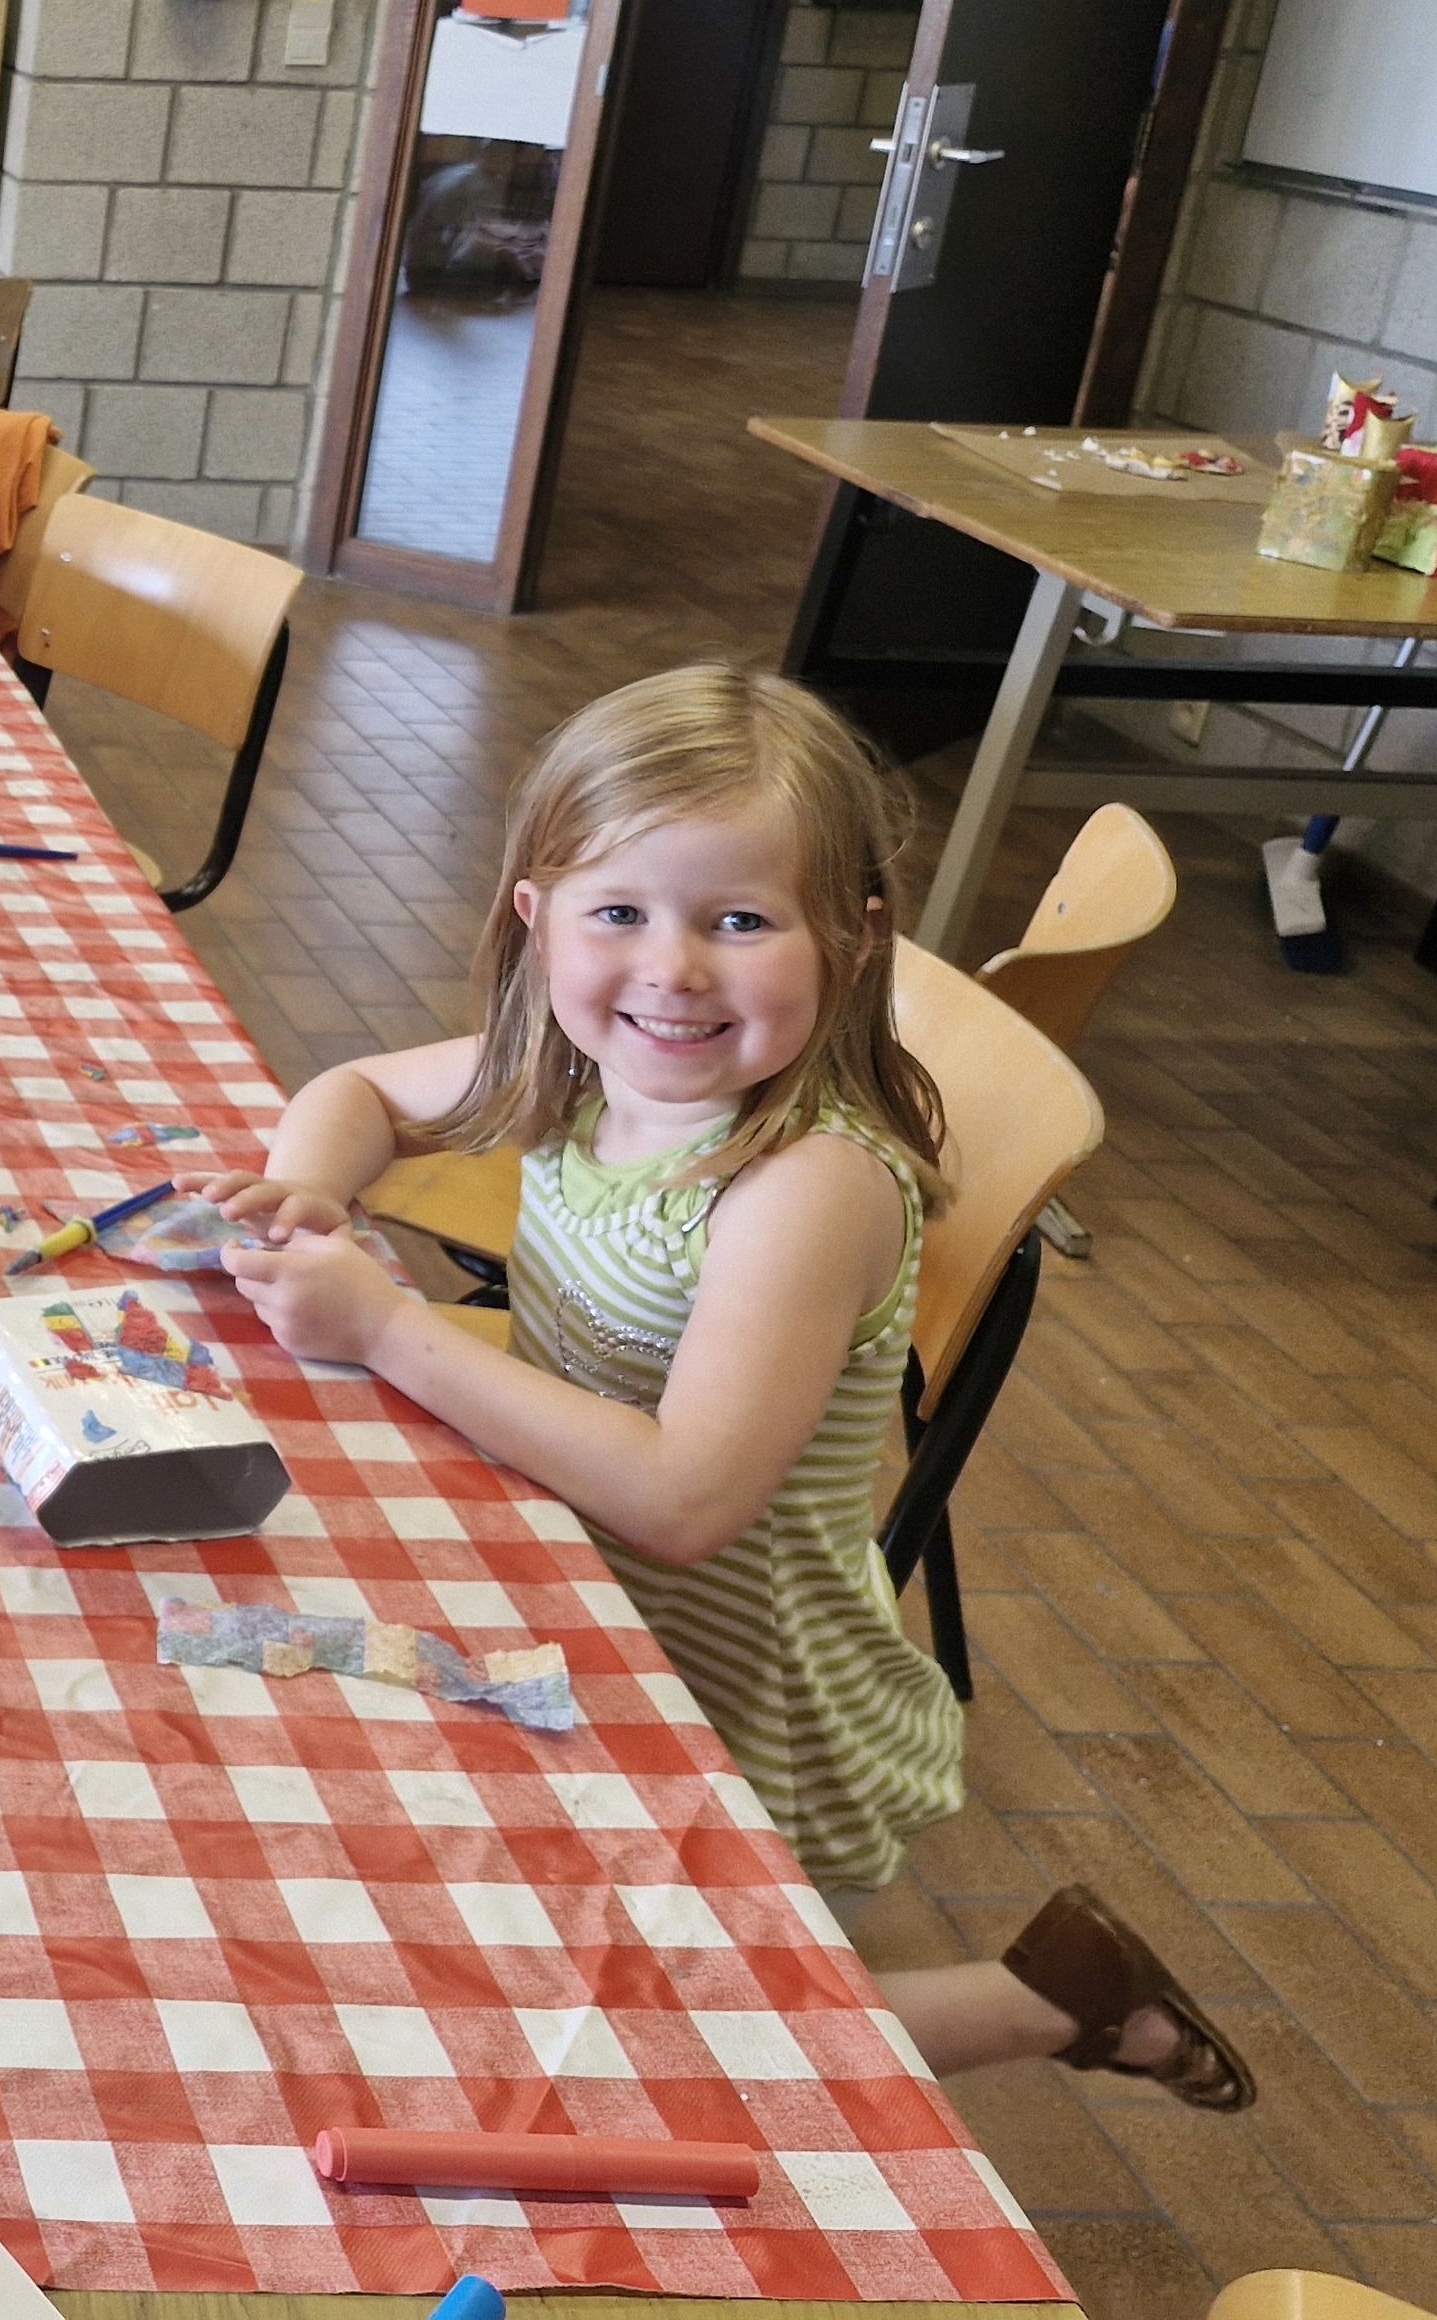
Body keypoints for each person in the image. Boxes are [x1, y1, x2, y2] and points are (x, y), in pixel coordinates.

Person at [191, 664, 1254, 2111]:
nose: (673, 970)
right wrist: (313, 1188)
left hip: (736, 1690)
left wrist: (385, 1328)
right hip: (573, 1593)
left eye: (738, 922)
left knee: (662, 2045)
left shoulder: (803, 1184)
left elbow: (686, 1502)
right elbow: (361, 1094)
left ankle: (1047, 2000)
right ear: (537, 920)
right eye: (618, 914)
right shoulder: (587, 1062)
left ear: (854, 942)